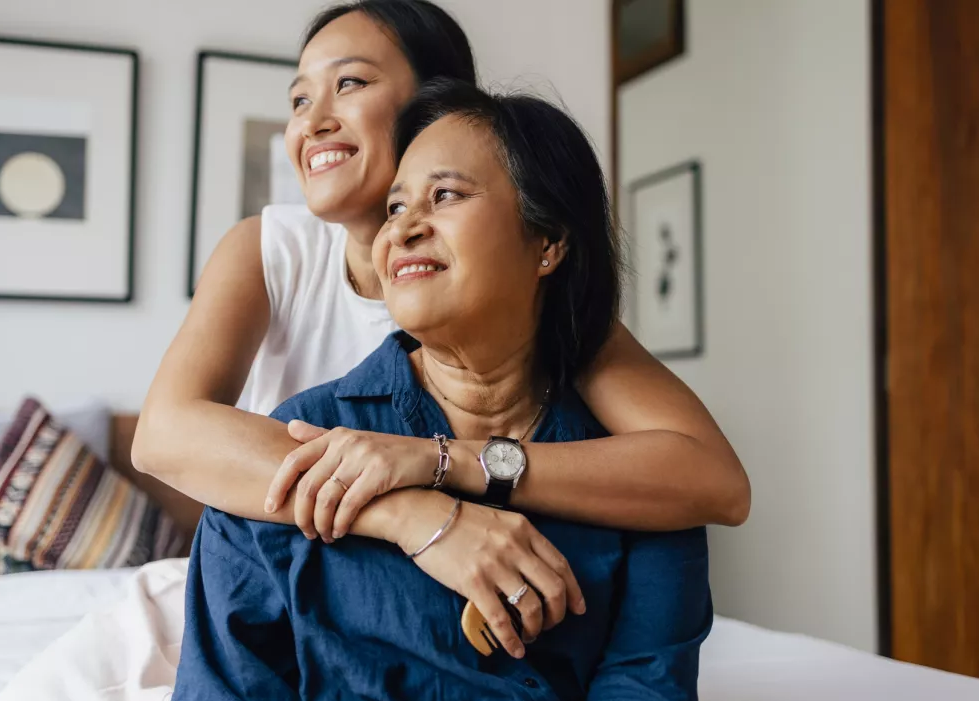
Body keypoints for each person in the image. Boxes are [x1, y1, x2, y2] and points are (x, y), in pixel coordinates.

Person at [134, 0, 746, 658]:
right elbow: (164, 435)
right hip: (289, 601)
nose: (312, 121)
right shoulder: (272, 250)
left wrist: (446, 465)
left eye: (350, 83)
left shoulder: (524, 294)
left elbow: (712, 478)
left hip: (460, 630)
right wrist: (414, 513)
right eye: (298, 98)